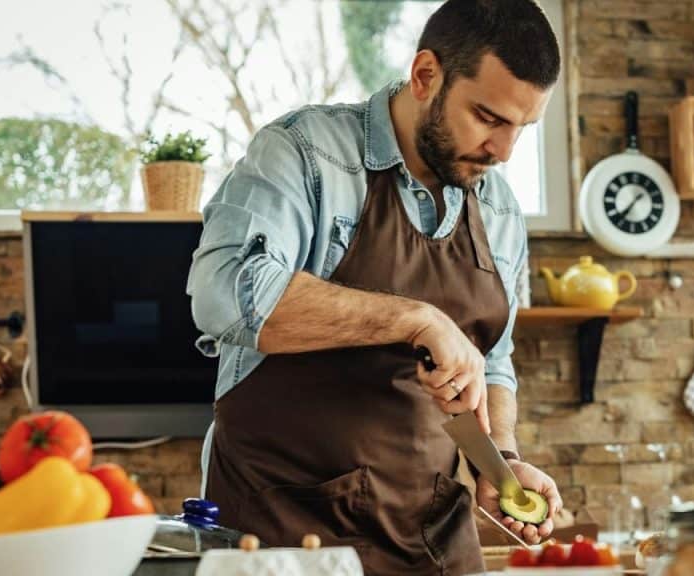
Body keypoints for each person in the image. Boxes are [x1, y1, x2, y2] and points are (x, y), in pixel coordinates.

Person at [187, 1, 562, 573]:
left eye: (521, 129)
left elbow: (494, 360)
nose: (504, 152)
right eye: (488, 118)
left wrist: (501, 461)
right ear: (425, 75)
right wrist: (416, 318)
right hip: (287, 537)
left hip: (432, 543)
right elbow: (224, 290)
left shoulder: (500, 209)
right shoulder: (306, 153)